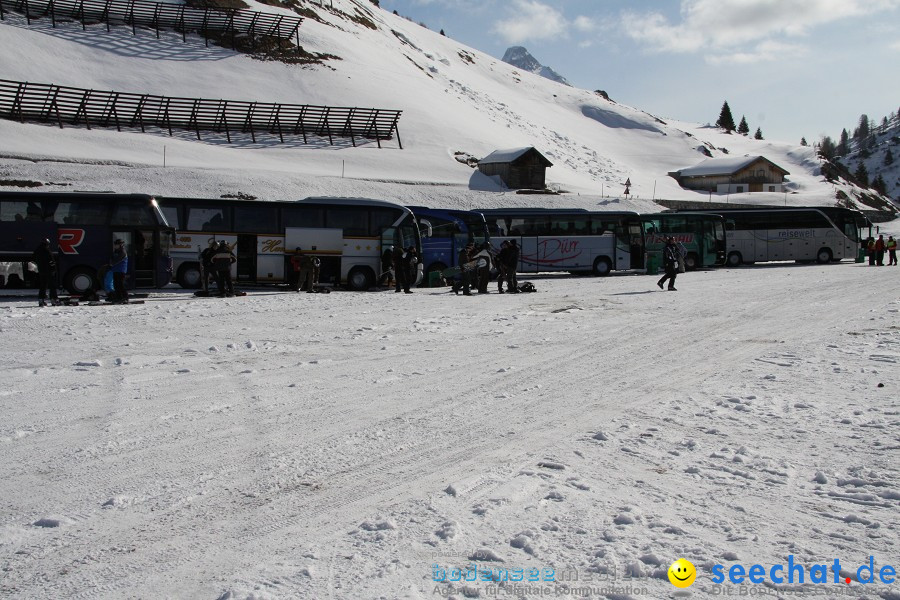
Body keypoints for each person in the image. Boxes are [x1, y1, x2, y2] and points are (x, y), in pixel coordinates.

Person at [32, 238, 58, 307]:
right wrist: (54, 269)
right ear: (47, 243)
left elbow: (33, 259)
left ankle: (41, 300)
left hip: (41, 271)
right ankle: (53, 300)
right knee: (52, 285)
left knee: (43, 285)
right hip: (49, 271)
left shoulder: (37, 251)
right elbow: (51, 261)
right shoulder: (47, 250)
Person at [109, 238, 129, 303]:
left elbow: (117, 260)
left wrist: (112, 263)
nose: (115, 246)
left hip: (121, 270)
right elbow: (111, 258)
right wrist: (111, 263)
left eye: (116, 245)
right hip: (115, 270)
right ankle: (118, 297)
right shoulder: (115, 251)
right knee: (116, 285)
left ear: (121, 245)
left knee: (120, 284)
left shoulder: (123, 251)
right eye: (115, 245)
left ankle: (125, 297)